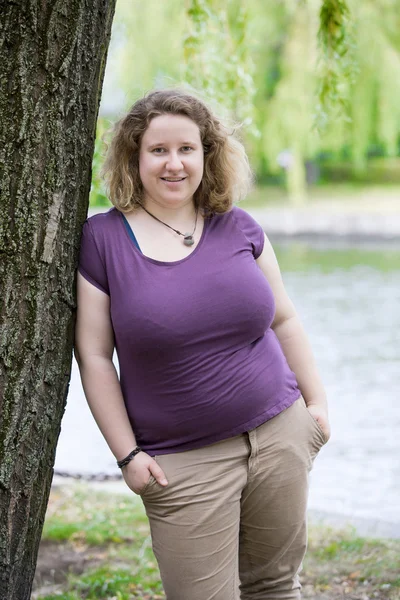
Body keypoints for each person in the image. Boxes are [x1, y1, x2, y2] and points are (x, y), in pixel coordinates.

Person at [75, 88, 330, 600]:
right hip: (181, 465)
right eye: (158, 150)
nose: (174, 164)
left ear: (207, 154)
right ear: (134, 156)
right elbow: (96, 357)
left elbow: (284, 319)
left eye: (187, 149)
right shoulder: (103, 239)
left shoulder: (238, 224)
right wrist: (127, 457)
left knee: (277, 587)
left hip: (280, 435)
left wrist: (316, 407)